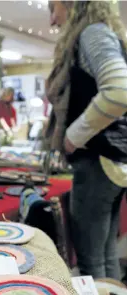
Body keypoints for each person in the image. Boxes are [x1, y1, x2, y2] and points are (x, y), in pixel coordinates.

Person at [46, 1, 127, 279]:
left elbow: (119, 92)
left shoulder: (93, 33)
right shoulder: (105, 34)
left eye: (53, 8)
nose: (53, 20)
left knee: (92, 263)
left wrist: (72, 136)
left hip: (96, 163)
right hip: (111, 163)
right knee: (105, 257)